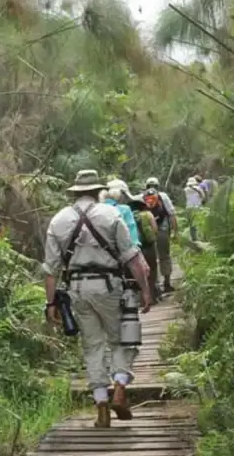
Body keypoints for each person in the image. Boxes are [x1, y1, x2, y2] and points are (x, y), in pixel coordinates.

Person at [43, 170, 152, 428]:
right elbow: (132, 258)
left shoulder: (58, 220)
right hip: (109, 286)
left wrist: (50, 304)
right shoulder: (111, 214)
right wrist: (145, 289)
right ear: (97, 191)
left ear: (75, 192)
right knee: (122, 340)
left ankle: (101, 405)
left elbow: (50, 270)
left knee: (92, 346)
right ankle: (120, 388)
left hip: (76, 290)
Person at [142, 177, 178, 294]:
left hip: (148, 232)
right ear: (158, 186)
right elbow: (172, 214)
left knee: (151, 259)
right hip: (162, 230)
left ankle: (154, 286)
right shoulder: (163, 196)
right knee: (164, 256)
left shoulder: (141, 197)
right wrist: (174, 231)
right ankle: (167, 283)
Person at [103, 179, 141, 248]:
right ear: (120, 195)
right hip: (122, 253)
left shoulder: (96, 208)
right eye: (125, 196)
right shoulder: (125, 209)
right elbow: (133, 240)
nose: (126, 200)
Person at [184, 176, 206, 241]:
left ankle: (193, 239)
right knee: (199, 223)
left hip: (189, 208)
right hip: (198, 207)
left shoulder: (185, 189)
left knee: (191, 224)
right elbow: (203, 197)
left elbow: (185, 198)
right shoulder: (199, 188)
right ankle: (201, 238)